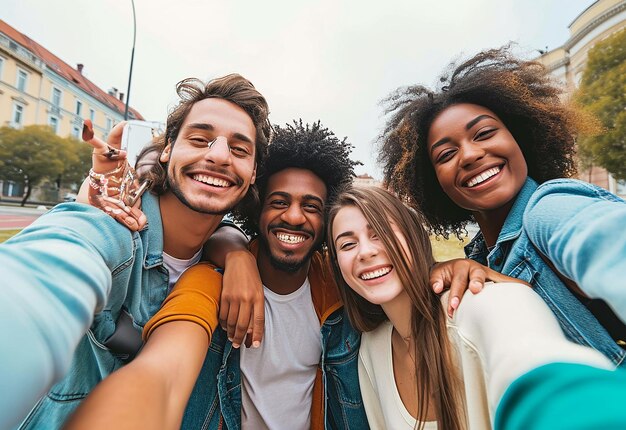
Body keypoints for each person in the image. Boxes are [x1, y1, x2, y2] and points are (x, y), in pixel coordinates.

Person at [2, 74, 270, 430]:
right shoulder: (113, 222)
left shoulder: (222, 258)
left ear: (253, 174)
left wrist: (239, 254)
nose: (219, 156)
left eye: (239, 150)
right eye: (200, 139)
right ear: (168, 149)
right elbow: (51, 268)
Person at [378, 47, 626, 366]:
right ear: (434, 183)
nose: (468, 155)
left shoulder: (549, 209)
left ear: (520, 136)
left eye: (484, 133)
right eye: (445, 155)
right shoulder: (482, 256)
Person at [328, 186, 612, 430]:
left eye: (379, 233)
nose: (365, 251)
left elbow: (535, 361)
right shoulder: (369, 349)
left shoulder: (482, 303)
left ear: (414, 237)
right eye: (348, 244)